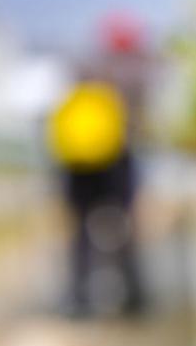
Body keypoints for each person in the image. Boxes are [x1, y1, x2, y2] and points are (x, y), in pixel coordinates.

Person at [47, 82, 144, 316]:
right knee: (123, 231)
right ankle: (133, 295)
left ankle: (78, 298)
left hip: (77, 172)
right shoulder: (111, 99)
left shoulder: (69, 104)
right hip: (112, 170)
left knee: (79, 237)